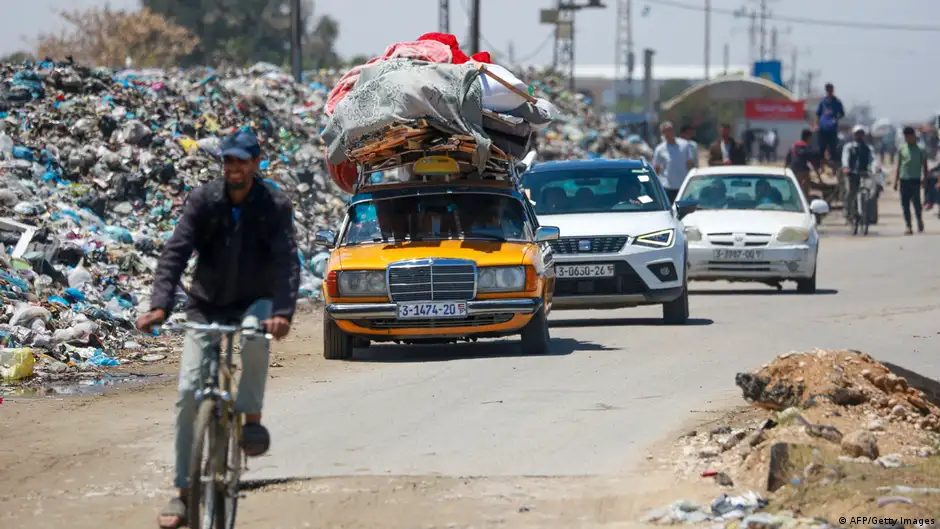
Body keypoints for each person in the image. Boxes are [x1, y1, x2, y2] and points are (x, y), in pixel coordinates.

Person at [135, 129, 301, 529]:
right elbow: (175, 253)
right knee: (188, 395)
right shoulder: (203, 200)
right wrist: (159, 304)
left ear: (256, 163)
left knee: (255, 338)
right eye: (228, 160)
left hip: (256, 301)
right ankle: (181, 495)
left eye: (241, 161)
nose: (234, 167)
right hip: (206, 303)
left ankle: (251, 420)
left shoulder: (273, 204)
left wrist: (282, 311)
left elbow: (286, 261)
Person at [840, 125, 877, 226]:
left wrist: (874, 169)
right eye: (857, 134)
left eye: (861, 134)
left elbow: (873, 159)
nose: (859, 136)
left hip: (864, 173)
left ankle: (867, 214)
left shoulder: (868, 148)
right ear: (854, 135)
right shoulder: (849, 147)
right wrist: (846, 167)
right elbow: (845, 158)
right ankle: (847, 213)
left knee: (870, 192)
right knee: (850, 193)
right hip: (851, 174)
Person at [895, 126, 928, 234]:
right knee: (905, 204)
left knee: (916, 203)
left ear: (913, 136)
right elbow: (899, 165)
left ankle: (919, 220)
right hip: (904, 179)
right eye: (906, 136)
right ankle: (908, 226)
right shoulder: (902, 149)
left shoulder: (920, 149)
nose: (908, 138)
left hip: (915, 179)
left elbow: (925, 165)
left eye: (909, 136)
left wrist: (925, 179)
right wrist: (895, 181)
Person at [653, 121, 694, 203]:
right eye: (666, 131)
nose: (669, 133)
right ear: (662, 133)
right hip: (668, 187)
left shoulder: (685, 145)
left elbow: (690, 164)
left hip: (683, 186)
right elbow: (656, 168)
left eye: (670, 130)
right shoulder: (660, 149)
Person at [784, 128, 822, 199]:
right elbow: (813, 163)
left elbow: (787, 161)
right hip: (803, 172)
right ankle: (805, 200)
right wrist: (820, 178)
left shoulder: (793, 146)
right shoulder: (807, 148)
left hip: (793, 171)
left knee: (795, 188)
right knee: (805, 187)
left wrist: (785, 171)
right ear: (809, 137)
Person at [815, 83, 845, 171]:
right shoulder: (823, 102)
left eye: (830, 89)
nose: (829, 91)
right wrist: (816, 125)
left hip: (832, 129)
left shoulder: (837, 102)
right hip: (822, 129)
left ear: (833, 90)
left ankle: (833, 169)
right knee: (821, 148)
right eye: (828, 90)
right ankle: (821, 167)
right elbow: (818, 114)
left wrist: (835, 119)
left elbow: (842, 114)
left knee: (833, 149)